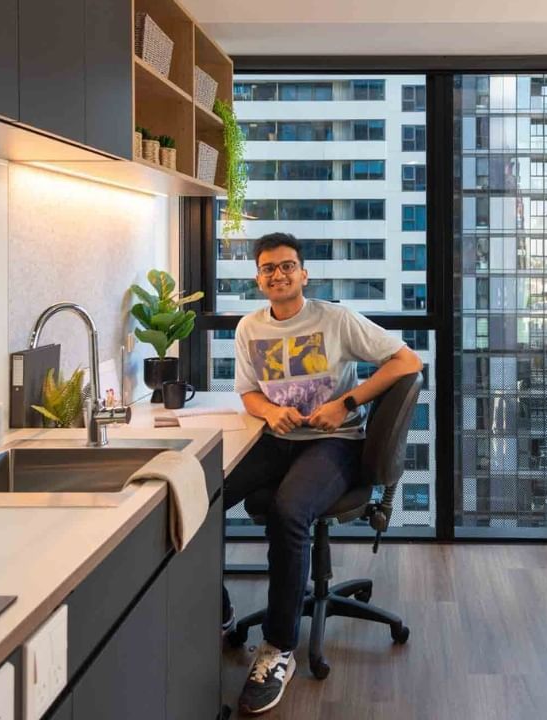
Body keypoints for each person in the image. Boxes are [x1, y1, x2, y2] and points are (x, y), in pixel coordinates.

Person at [224, 232, 422, 715]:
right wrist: (269, 413)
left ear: (304, 274)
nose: (278, 274)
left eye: (287, 266)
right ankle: (215, 603)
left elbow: (407, 359)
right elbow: (249, 394)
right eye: (268, 268)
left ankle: (277, 648)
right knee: (202, 493)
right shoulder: (250, 329)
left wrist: (345, 404)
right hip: (276, 440)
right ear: (258, 278)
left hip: (334, 444)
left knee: (290, 511)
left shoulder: (334, 319)